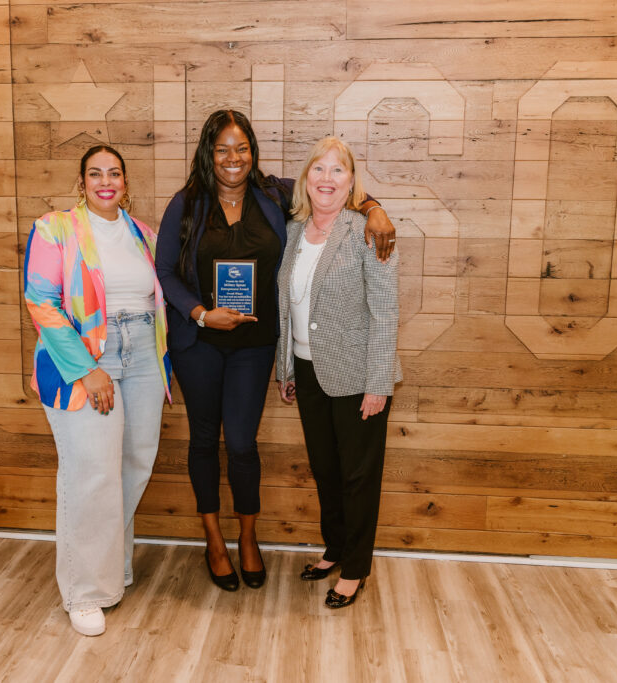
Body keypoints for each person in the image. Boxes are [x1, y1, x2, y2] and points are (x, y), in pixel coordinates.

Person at [155, 110, 396, 592]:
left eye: (241, 147)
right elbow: (164, 272)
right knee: (204, 441)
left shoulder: (274, 194)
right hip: (198, 342)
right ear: (207, 151)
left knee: (242, 444)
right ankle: (213, 540)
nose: (232, 158)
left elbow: (328, 184)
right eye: (222, 148)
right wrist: (201, 312)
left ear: (253, 152)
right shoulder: (186, 204)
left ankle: (247, 539)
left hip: (254, 347)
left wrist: (374, 208)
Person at [24, 145, 171, 636]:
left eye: (114, 173)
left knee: (133, 464)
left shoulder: (143, 235)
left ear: (125, 182)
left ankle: (111, 570)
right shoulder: (55, 229)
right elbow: (41, 302)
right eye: (95, 173)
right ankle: (84, 591)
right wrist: (87, 369)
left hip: (144, 354)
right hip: (87, 358)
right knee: (92, 472)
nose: (105, 181)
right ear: (81, 182)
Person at [275, 137, 402, 608]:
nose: (327, 179)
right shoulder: (293, 231)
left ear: (352, 182)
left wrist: (378, 383)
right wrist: (286, 366)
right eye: (318, 170)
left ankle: (356, 567)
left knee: (358, 476)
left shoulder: (369, 230)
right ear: (305, 178)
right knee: (326, 471)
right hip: (308, 374)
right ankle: (335, 548)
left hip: (356, 375)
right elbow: (288, 306)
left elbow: (385, 313)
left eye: (338, 171)